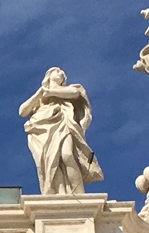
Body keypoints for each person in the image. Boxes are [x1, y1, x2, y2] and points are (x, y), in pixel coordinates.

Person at [19, 66, 100, 195]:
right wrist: (39, 94)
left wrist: (50, 92)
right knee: (50, 161)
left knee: (67, 155)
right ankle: (59, 191)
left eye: (62, 72)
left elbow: (74, 93)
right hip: (43, 129)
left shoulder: (69, 89)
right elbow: (22, 111)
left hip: (63, 125)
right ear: (48, 76)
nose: (61, 73)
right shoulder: (41, 97)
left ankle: (78, 192)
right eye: (57, 71)